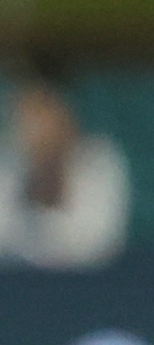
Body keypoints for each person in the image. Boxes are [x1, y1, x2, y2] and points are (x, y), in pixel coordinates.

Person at [0, 73, 131, 270]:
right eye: (23, 114)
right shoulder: (9, 164)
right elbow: (7, 242)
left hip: (88, 286)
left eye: (40, 113)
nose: (32, 127)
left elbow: (98, 245)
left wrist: (51, 175)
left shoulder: (99, 160)